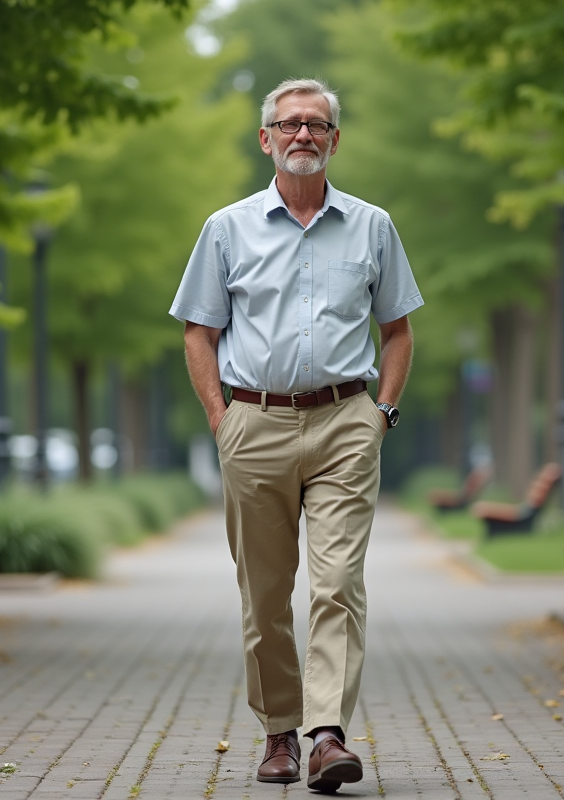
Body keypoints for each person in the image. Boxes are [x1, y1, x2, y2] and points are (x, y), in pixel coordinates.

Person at [170, 77, 422, 792]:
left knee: (338, 582)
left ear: (335, 139)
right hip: (255, 421)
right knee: (266, 593)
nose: (303, 135)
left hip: (347, 420)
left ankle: (326, 737)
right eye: (290, 125)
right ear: (266, 138)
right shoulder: (227, 228)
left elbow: (398, 332)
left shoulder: (373, 226)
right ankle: (279, 733)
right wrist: (223, 422)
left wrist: (382, 415)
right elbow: (199, 332)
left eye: (317, 125)